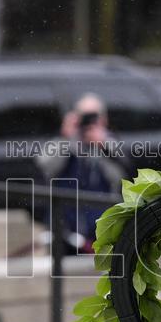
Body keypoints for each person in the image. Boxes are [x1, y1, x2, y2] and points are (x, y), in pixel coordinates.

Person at [36, 94, 129, 253]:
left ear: (104, 120)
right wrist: (66, 137)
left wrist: (103, 146)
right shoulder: (63, 141)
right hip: (65, 229)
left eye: (93, 117)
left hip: (102, 229)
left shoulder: (113, 145)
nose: (88, 123)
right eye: (84, 116)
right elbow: (45, 167)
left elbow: (121, 178)